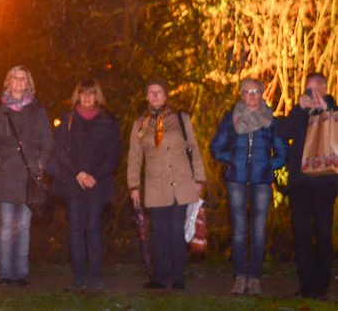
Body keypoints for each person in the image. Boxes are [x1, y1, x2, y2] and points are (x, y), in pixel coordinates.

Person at [210, 78, 287, 295]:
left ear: (262, 93)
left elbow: (282, 150)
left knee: (259, 231)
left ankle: (254, 278)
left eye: (255, 91)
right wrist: (232, 158)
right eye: (246, 91)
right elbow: (216, 146)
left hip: (261, 181)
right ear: (241, 94)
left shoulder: (271, 120)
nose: (251, 95)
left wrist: (269, 165)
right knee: (239, 231)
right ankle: (240, 277)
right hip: (237, 179)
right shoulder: (231, 118)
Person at [127, 79, 206, 290]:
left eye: (158, 92)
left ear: (166, 95)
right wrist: (133, 186)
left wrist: (199, 178)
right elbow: (135, 157)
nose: (154, 96)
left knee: (177, 231)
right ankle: (159, 277)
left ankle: (178, 276)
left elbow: (194, 149)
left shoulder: (181, 119)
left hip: (181, 184)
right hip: (155, 186)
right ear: (146, 97)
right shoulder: (140, 125)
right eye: (151, 93)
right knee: (159, 233)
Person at [0, 66, 52, 287]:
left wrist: (40, 164)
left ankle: (21, 274)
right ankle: (4, 274)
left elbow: (48, 141)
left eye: (23, 78)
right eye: (15, 78)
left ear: (29, 83)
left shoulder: (37, 111)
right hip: (5, 178)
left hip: (29, 178)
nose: (19, 82)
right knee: (6, 226)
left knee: (24, 227)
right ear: (8, 82)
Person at [51, 78, 121, 293]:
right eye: (83, 93)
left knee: (93, 229)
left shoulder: (107, 120)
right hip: (74, 184)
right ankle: (79, 277)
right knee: (75, 231)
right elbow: (59, 150)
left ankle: (97, 277)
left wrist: (95, 176)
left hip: (97, 185)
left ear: (97, 95)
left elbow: (114, 153)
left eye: (91, 93)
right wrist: (78, 173)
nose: (87, 97)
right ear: (78, 95)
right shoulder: (68, 118)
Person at [276, 72, 337, 300]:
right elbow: (283, 133)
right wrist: (299, 110)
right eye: (307, 90)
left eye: (315, 90)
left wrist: (326, 107)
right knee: (301, 235)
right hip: (300, 183)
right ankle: (306, 286)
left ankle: (321, 287)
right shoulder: (300, 112)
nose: (311, 94)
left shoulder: (333, 112)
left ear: (324, 89)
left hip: (325, 183)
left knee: (322, 233)